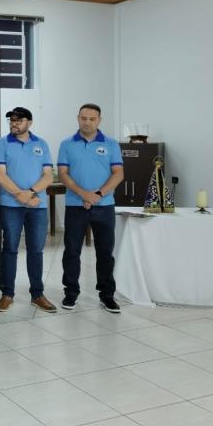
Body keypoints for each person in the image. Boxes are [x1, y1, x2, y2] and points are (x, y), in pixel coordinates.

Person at [57, 103, 125, 313]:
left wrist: (96, 195)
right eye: (83, 118)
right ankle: (71, 293)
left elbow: (118, 174)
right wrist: (83, 194)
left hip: (104, 206)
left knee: (105, 252)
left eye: (92, 119)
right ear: (78, 118)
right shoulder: (67, 144)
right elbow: (63, 174)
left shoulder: (111, 144)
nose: (87, 122)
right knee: (72, 251)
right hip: (75, 206)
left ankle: (107, 295)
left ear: (99, 120)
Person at [0, 107, 56, 313]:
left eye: (19, 121)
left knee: (36, 250)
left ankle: (37, 294)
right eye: (11, 120)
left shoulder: (41, 144)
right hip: (11, 206)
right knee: (10, 248)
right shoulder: (1, 144)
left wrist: (29, 193)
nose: (14, 124)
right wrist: (20, 196)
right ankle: (7, 294)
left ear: (29, 122)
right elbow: (0, 176)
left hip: (37, 206)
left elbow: (48, 176)